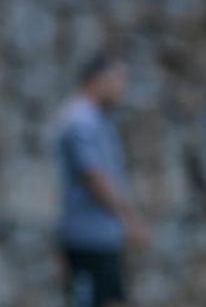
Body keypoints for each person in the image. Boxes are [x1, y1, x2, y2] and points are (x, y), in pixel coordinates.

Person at [52, 54, 150, 307]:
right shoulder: (80, 121)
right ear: (97, 79)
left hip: (102, 237)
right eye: (117, 78)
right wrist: (129, 218)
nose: (122, 86)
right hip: (88, 238)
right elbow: (95, 176)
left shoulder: (97, 118)